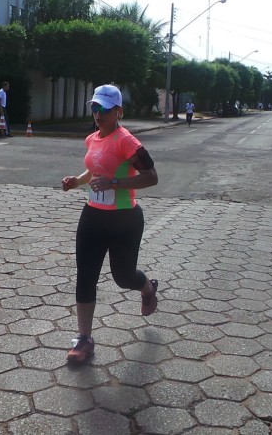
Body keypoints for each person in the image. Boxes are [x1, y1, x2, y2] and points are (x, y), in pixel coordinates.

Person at [61, 84, 160, 364]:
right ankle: (84, 339)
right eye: (94, 107)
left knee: (123, 276)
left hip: (124, 219)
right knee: (85, 276)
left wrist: (115, 183)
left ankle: (147, 288)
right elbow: (96, 168)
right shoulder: (93, 138)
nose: (98, 113)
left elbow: (151, 176)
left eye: (103, 109)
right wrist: (76, 181)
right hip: (92, 216)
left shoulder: (126, 140)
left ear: (118, 112)